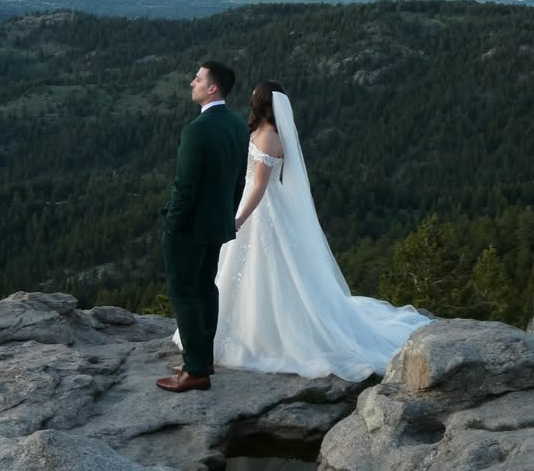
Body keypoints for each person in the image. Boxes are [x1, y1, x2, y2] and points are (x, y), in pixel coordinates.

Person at [174, 81, 432, 381]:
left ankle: (255, 336)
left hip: (260, 210)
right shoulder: (265, 133)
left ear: (260, 103)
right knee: (246, 271)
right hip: (260, 207)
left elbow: (259, 186)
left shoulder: (268, 138)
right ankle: (231, 333)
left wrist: (239, 217)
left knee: (261, 271)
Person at [156, 61, 249, 393]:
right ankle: (203, 359)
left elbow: (185, 187)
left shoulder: (196, 130)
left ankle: (196, 371)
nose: (190, 83)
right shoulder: (239, 126)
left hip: (190, 227)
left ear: (212, 88)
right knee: (206, 288)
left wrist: (171, 225)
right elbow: (240, 181)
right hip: (217, 224)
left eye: (197, 79)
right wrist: (227, 214)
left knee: (184, 293)